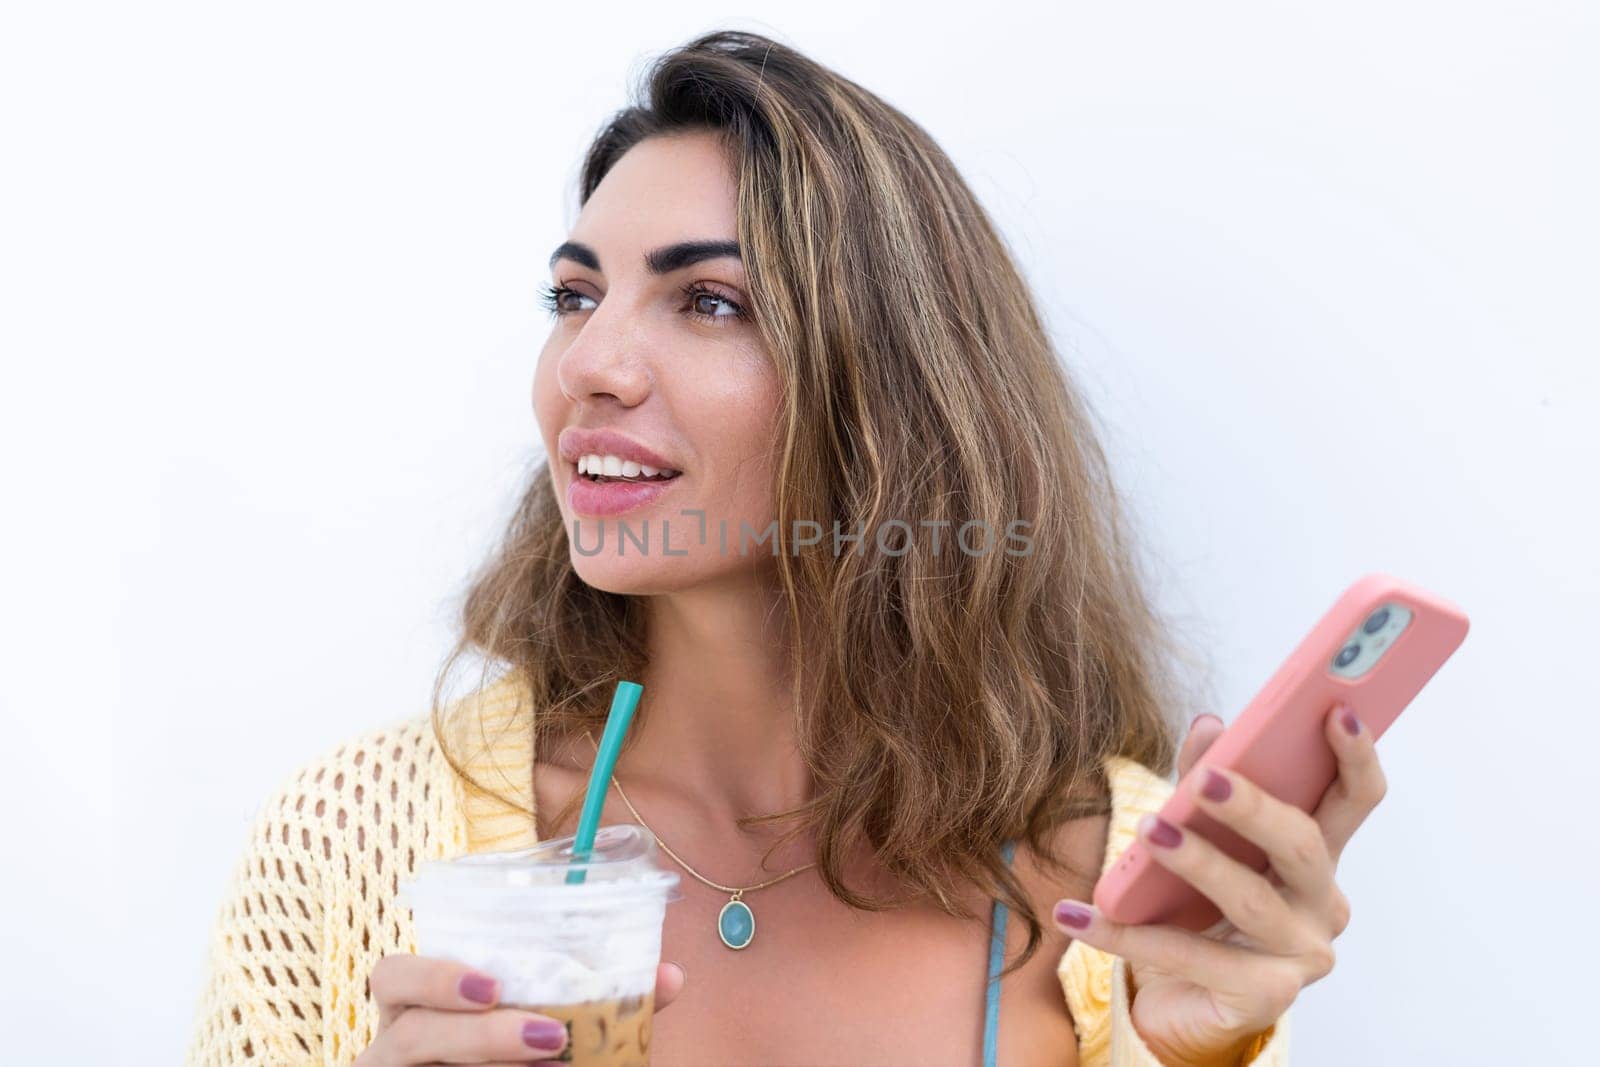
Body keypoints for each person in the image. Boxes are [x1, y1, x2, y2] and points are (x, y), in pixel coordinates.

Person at [186, 30, 1386, 1067]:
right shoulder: (351, 842)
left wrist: (1189, 1052)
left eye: (708, 300)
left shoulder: (1127, 885)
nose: (589, 364)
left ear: (890, 390)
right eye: (573, 296)